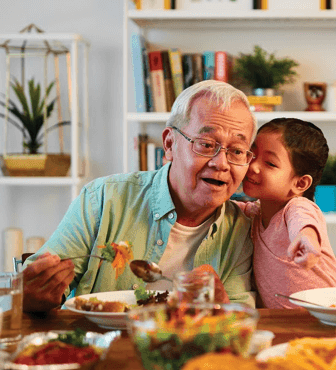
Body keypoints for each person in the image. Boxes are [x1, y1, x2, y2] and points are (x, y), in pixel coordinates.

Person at [23, 80, 258, 312]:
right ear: (169, 144)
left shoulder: (240, 230)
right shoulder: (103, 199)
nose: (221, 163)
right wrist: (32, 294)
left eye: (237, 151)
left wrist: (222, 305)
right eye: (206, 144)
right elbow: (34, 293)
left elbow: (240, 319)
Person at [237, 118, 336, 308]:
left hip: (323, 321)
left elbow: (302, 220)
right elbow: (225, 208)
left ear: (300, 184)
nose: (253, 166)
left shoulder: (297, 206)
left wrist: (307, 237)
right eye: (252, 154)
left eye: (270, 164)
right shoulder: (254, 214)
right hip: (284, 323)